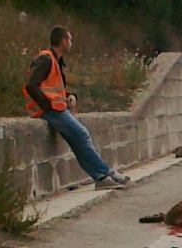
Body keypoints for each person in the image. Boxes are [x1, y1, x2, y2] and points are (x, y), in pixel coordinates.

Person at [23, 26, 130, 190]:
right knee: (82, 135)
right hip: (51, 111)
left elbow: (52, 85)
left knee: (78, 143)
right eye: (70, 39)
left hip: (58, 109)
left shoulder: (55, 60)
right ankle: (106, 173)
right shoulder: (46, 59)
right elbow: (32, 85)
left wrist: (68, 95)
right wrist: (48, 105)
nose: (71, 43)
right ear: (62, 41)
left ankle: (101, 178)